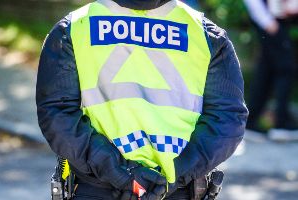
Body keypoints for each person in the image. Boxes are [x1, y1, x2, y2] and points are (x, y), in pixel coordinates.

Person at [36, 0, 248, 199]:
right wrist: (171, 177)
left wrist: (121, 174)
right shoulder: (207, 35)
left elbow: (57, 114)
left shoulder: (73, 28)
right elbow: (226, 120)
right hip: (178, 190)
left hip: (96, 188)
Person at [244, 0, 298, 141]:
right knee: (286, 69)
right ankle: (281, 123)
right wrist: (266, 21)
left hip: (274, 20)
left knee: (265, 72)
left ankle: (252, 122)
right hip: (270, 22)